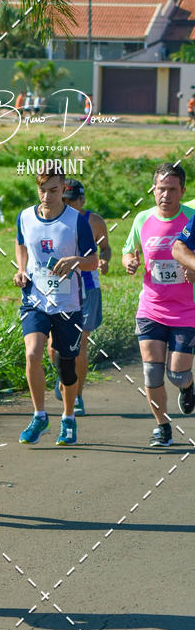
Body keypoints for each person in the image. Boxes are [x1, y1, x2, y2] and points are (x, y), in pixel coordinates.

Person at [14, 166, 98, 446]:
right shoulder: (25, 216)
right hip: (35, 299)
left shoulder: (76, 221)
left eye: (53, 190)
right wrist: (21, 269)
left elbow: (93, 261)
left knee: (66, 368)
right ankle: (39, 416)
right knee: (33, 353)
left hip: (67, 303)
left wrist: (75, 261)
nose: (47, 196)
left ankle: (68, 417)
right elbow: (21, 245)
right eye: (42, 190)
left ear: (63, 189)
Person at [122, 163, 195, 446]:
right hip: (151, 308)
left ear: (182, 191)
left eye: (172, 189)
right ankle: (162, 427)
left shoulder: (191, 218)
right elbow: (128, 250)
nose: (166, 195)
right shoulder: (142, 219)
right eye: (161, 189)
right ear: (153, 190)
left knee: (177, 373)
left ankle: (188, 387)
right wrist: (129, 261)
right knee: (151, 372)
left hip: (186, 310)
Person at [50, 178, 111, 415]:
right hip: (59, 286)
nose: (68, 205)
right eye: (64, 200)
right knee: (53, 345)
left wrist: (104, 259)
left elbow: (105, 247)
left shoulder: (94, 221)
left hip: (87, 287)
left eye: (72, 200)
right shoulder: (49, 219)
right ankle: (64, 373)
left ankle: (77, 396)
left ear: (82, 200)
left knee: (80, 344)